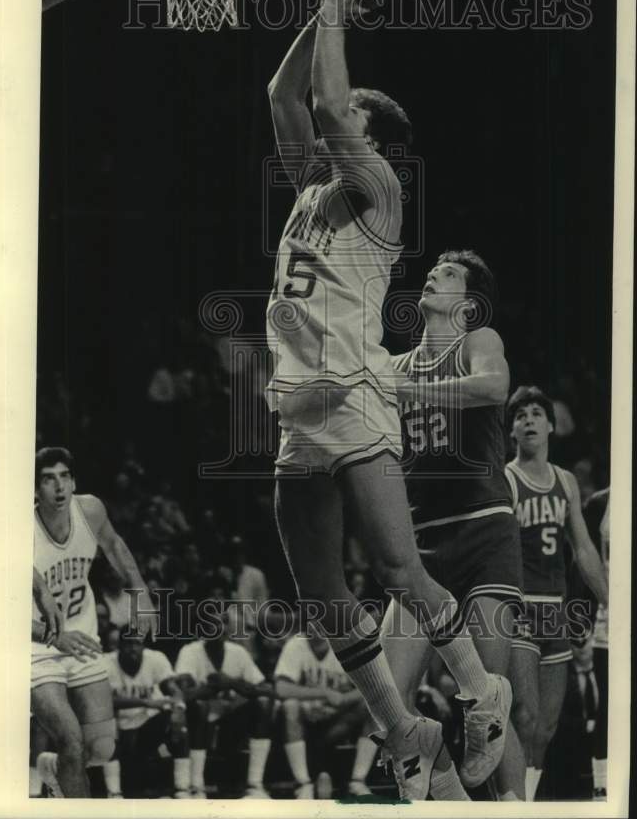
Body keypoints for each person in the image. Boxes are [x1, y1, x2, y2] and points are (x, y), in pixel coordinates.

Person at [265, 0, 511, 800]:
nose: (342, 118)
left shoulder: (380, 194)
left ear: (375, 141)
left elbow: (330, 104)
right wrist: (319, 6)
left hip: (362, 396)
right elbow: (284, 94)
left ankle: (483, 694)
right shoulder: (309, 188)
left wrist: (339, 0)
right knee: (325, 596)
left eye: (356, 119)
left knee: (400, 574)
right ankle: (404, 729)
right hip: (299, 405)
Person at [381, 250, 527, 800]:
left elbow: (493, 389)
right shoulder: (392, 366)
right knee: (389, 703)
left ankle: (512, 806)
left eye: (447, 274)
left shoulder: (477, 341)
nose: (432, 274)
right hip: (419, 545)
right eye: (433, 269)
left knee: (485, 695)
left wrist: (408, 391)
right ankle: (453, 802)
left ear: (467, 305)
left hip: (483, 527)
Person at [31, 446, 156, 798]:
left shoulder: (90, 510)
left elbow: (114, 546)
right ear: (35, 490)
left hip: (82, 640)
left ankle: (54, 770)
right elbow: (2, 614)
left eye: (65, 477)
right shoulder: (19, 533)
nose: (59, 487)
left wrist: (140, 591)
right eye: (47, 479)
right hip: (34, 648)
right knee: (70, 738)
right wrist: (55, 638)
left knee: (101, 749)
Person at [504, 388, 608, 802]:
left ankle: (524, 800)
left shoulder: (565, 481)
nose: (528, 420)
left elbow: (582, 550)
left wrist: (612, 601)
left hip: (556, 611)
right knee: (524, 717)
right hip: (519, 608)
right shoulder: (506, 479)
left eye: (536, 414)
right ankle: (508, 801)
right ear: (511, 430)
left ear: (550, 425)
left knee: (546, 725)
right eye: (520, 416)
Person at [175, 611, 274, 798]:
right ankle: (196, 786)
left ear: (227, 628)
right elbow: (184, 694)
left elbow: (267, 690)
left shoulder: (238, 652)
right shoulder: (189, 652)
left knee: (263, 704)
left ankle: (255, 784)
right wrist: (213, 687)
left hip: (231, 721)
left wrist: (232, 682)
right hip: (199, 721)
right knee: (199, 707)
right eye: (210, 625)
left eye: (220, 624)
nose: (216, 629)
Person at [274, 623, 376, 799]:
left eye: (322, 622)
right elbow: (281, 688)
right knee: (290, 706)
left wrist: (344, 699)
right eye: (311, 622)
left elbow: (371, 685)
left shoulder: (345, 645)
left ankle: (358, 781)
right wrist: (324, 693)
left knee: (373, 707)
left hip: (336, 723)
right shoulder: (295, 644)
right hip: (303, 724)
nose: (317, 628)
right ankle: (303, 785)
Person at [103, 628, 190, 799]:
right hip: (119, 730)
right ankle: (114, 792)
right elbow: (102, 701)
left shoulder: (156, 659)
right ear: (119, 646)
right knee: (105, 723)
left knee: (178, 722)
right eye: (128, 644)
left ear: (144, 646)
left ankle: (183, 789)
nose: (133, 648)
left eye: (137, 644)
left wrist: (178, 709)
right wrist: (146, 702)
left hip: (146, 727)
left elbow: (173, 690)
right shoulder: (104, 663)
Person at [582, 486, 610, 800]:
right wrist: (583, 624)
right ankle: (600, 786)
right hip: (608, 625)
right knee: (607, 707)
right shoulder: (601, 504)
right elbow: (584, 567)